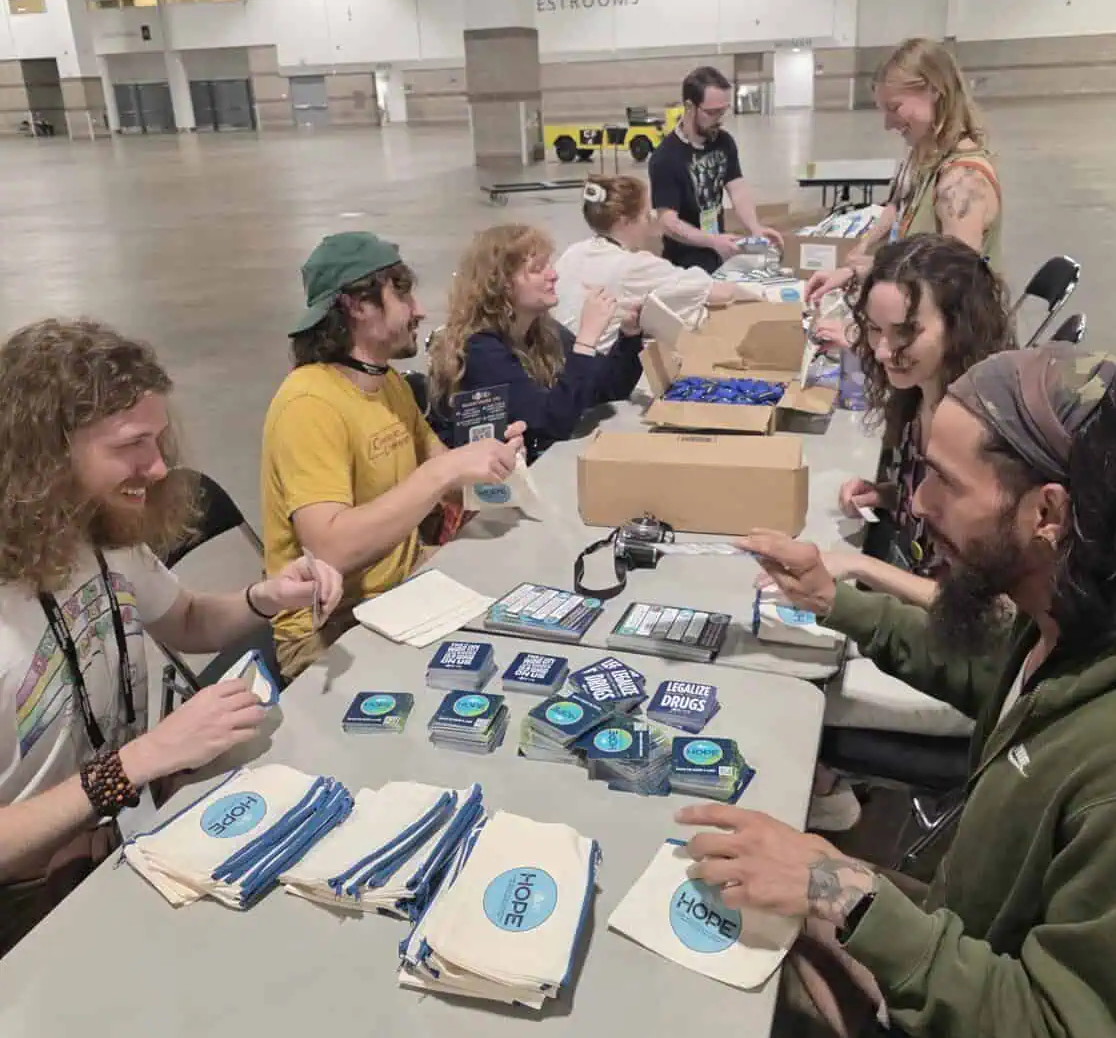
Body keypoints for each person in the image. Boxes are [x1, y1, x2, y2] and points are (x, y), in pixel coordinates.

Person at [682, 345, 1116, 1038]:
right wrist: (835, 600)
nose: (917, 504)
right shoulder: (1081, 617)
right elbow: (990, 671)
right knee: (751, 891)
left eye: (944, 482)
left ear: (1047, 511)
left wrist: (849, 893)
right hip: (974, 991)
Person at [0, 318, 343, 957]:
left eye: (157, 439)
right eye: (132, 445)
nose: (159, 467)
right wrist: (139, 761)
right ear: (45, 455)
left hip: (107, 843)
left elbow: (184, 620)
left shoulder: (98, 530)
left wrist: (264, 598)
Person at [804, 234, 1014, 835]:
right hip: (925, 618)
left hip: (968, 664)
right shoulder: (923, 396)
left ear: (959, 326)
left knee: (801, 683)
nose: (884, 351)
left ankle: (826, 792)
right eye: (873, 331)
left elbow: (994, 612)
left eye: (906, 334)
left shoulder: (985, 436)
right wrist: (890, 494)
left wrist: (863, 568)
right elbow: (936, 514)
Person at [262, 232, 524, 680]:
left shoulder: (389, 385)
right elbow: (329, 549)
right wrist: (444, 471)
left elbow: (454, 490)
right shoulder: (309, 404)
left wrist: (492, 461)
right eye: (401, 293)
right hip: (330, 631)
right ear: (356, 306)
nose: (418, 310)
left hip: (402, 593)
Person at [806, 38, 1003, 312]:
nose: (888, 124)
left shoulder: (962, 182)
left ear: (934, 91)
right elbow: (906, 228)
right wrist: (862, 266)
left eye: (895, 108)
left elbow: (952, 290)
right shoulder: (926, 158)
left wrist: (872, 279)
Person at [428, 223, 643, 461]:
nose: (553, 275)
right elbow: (549, 422)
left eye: (549, 265)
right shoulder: (479, 349)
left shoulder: (544, 332)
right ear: (501, 283)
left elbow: (609, 389)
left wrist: (629, 336)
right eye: (538, 269)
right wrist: (586, 340)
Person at [554, 174, 766, 350]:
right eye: (646, 216)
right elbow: (713, 292)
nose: (650, 222)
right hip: (598, 371)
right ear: (625, 222)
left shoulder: (573, 252)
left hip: (565, 361)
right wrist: (766, 297)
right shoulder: (634, 266)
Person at [649, 64, 783, 274]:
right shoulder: (665, 158)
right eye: (712, 112)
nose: (719, 119)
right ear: (690, 107)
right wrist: (712, 240)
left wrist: (755, 228)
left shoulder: (723, 142)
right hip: (685, 265)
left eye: (723, 111)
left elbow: (737, 188)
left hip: (717, 253)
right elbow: (668, 222)